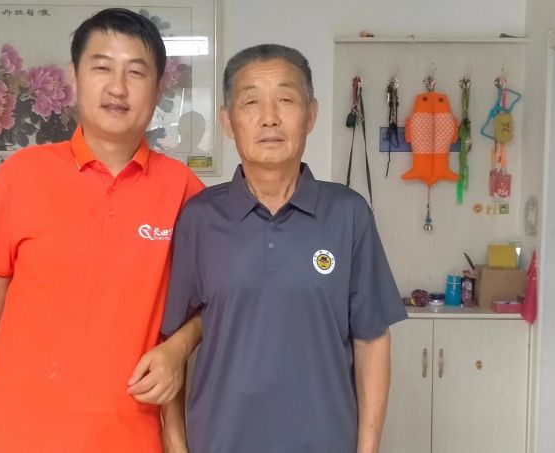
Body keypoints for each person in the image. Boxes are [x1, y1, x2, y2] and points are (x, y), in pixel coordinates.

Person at [0, 8, 203, 452]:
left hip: (132, 432)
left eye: (136, 72)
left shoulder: (183, 189)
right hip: (21, 430)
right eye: (101, 67)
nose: (118, 87)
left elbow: (217, 299)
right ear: (74, 77)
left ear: (159, 88)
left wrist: (177, 349)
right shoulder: (22, 174)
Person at [159, 44, 407, 453]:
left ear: (311, 115)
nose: (269, 117)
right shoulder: (200, 218)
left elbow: (372, 341)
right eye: (251, 102)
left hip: (325, 441)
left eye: (286, 100)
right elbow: (171, 345)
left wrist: (368, 449)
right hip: (220, 441)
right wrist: (175, 443)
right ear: (227, 121)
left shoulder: (348, 214)